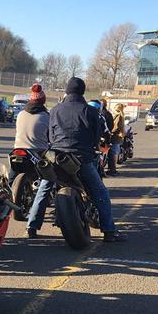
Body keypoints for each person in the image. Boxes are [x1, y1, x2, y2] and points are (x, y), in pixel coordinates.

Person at [26, 77, 125, 242]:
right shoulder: (91, 111)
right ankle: (109, 231)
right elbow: (97, 137)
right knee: (100, 192)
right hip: (82, 158)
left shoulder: (55, 110)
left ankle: (32, 226)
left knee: (44, 189)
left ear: (66, 91)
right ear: (83, 91)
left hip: (56, 157)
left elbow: (49, 134)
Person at [11, 83, 50, 183]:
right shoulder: (46, 116)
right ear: (43, 101)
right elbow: (51, 136)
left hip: (18, 149)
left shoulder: (20, 114)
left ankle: (8, 191)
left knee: (12, 176)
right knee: (49, 178)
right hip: (39, 152)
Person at [110, 103, 126, 175]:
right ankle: (113, 168)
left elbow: (116, 127)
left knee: (114, 153)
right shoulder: (121, 115)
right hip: (118, 136)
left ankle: (113, 169)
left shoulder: (118, 116)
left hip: (115, 136)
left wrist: (110, 131)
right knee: (115, 152)